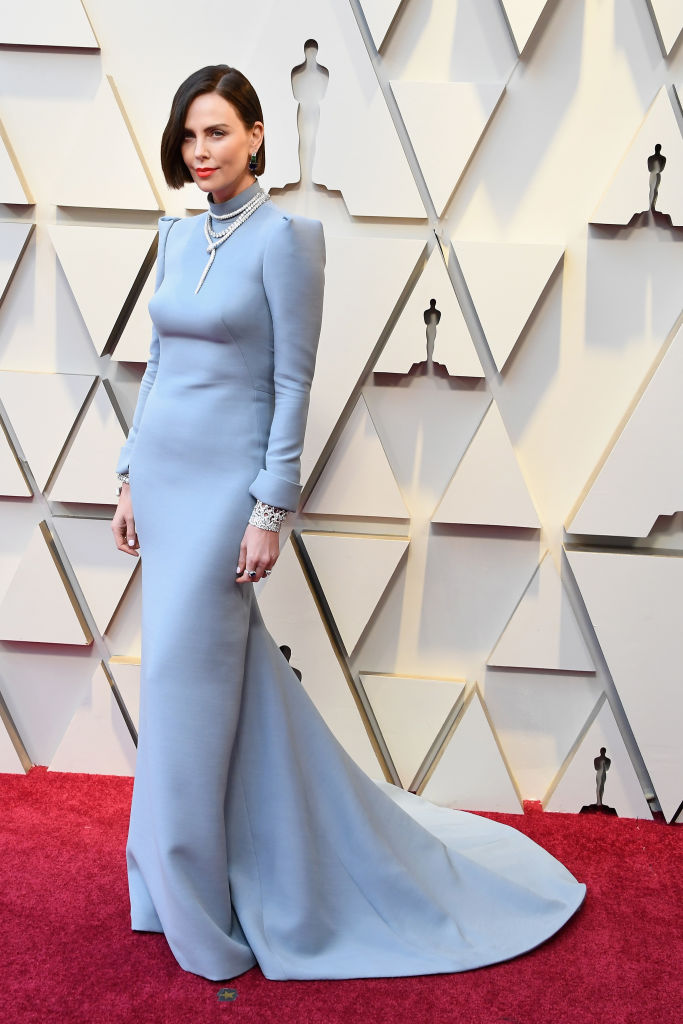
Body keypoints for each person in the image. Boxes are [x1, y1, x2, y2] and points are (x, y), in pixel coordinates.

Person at [110, 64, 586, 983]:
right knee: (186, 690)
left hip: (225, 491)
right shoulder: (173, 237)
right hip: (163, 482)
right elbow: (158, 365)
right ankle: (166, 883)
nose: (200, 151)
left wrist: (269, 508)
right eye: (189, 136)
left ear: (257, 135)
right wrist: (129, 473)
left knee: (180, 686)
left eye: (217, 132)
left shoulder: (288, 240)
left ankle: (198, 911)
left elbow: (293, 382)